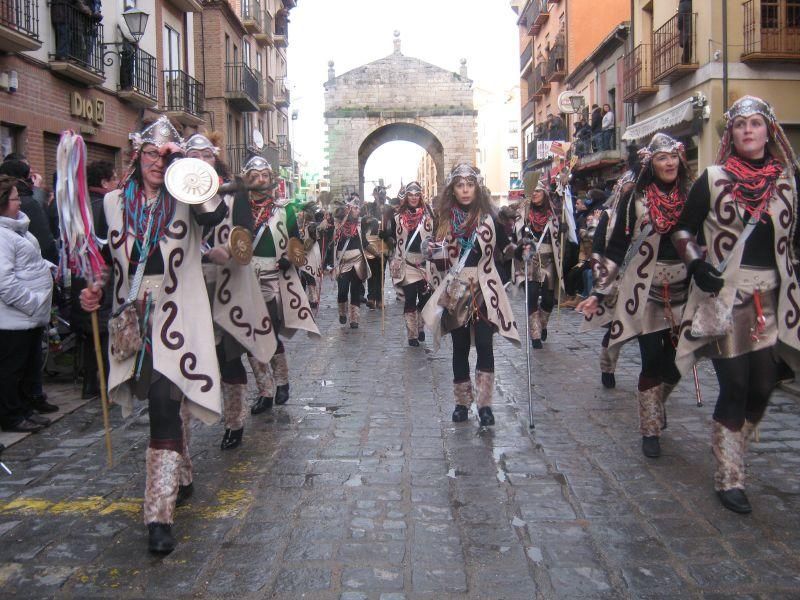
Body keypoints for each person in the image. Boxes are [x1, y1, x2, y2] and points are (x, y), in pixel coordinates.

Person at [79, 117, 228, 554]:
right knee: (158, 402)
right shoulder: (112, 204)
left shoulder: (189, 200)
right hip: (134, 316)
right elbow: (107, 262)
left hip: (177, 313)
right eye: (150, 154)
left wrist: (187, 169)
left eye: (167, 157)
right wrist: (94, 289)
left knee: (164, 406)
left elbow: (215, 212)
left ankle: (158, 517)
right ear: (136, 157)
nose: (156, 163)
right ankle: (180, 473)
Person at [671, 96, 800, 514]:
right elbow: (683, 231)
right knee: (736, 384)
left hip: (774, 298)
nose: (748, 130)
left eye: (756, 124)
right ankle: (730, 476)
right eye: (740, 124)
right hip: (726, 297)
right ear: (731, 133)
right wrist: (695, 264)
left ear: (769, 131)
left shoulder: (788, 181)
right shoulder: (711, 179)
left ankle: (733, 449)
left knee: (763, 386)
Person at [577, 133, 693, 459]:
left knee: (678, 362)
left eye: (673, 157)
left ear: (680, 160)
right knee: (652, 360)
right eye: (661, 158)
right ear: (650, 163)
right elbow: (615, 246)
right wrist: (599, 292)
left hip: (684, 291)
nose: (669, 162)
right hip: (644, 291)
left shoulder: (692, 196)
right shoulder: (634, 199)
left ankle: (655, 403)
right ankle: (650, 427)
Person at [184, 134, 276, 450]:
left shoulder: (234, 194)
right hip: (188, 286)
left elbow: (245, 233)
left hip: (228, 283)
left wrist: (227, 249)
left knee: (230, 354)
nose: (200, 162)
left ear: (215, 160)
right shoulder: (177, 196)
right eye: (193, 156)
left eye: (206, 156)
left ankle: (234, 421)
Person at [422, 164, 520, 426]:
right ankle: (462, 402)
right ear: (452, 190)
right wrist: (431, 252)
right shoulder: (444, 221)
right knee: (460, 347)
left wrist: (522, 249)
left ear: (477, 188)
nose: (465, 190)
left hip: (485, 289)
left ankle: (485, 405)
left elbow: (505, 250)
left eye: (469, 185)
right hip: (456, 289)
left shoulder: (492, 217)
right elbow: (436, 257)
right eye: (459, 185)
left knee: (486, 345)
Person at [244, 156, 320, 413]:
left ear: (271, 179)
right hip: (245, 279)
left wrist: (289, 260)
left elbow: (296, 243)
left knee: (267, 332)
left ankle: (282, 380)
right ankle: (264, 390)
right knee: (250, 338)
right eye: (255, 175)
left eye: (265, 175)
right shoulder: (239, 208)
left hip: (272, 279)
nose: (260, 180)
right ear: (247, 179)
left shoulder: (284, 209)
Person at [0, 176, 55, 433]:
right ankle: (11, 415)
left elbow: (31, 263)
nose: (19, 202)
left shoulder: (17, 229)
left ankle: (25, 409)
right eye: (14, 198)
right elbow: (5, 282)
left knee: (27, 366)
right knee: (12, 369)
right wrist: (32, 303)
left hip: (30, 317)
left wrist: (49, 269)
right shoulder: (3, 236)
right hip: (15, 317)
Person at [70, 160, 117, 399]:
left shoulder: (80, 205)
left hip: (82, 276)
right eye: (113, 178)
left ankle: (90, 383)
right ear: (104, 182)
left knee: (91, 333)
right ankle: (107, 382)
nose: (117, 182)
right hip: (99, 277)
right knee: (103, 330)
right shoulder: (105, 207)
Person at [512, 182, 562, 348]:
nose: (534, 194)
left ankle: (542, 324)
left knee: (548, 299)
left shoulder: (554, 212)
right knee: (532, 294)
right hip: (530, 258)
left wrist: (563, 228)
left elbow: (560, 236)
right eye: (532, 191)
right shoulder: (525, 211)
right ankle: (535, 334)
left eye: (538, 191)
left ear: (544, 193)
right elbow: (516, 231)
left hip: (548, 259)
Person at [389, 181, 433, 347]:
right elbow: (391, 236)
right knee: (410, 299)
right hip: (407, 263)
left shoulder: (429, 216)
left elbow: (435, 236)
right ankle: (412, 335)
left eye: (416, 195)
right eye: (410, 195)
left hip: (424, 264)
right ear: (406, 197)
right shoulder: (398, 218)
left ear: (420, 196)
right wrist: (385, 237)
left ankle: (420, 327)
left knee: (424, 299)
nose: (414, 198)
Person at [333, 196, 371, 328]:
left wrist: (377, 252)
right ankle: (342, 312)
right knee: (342, 290)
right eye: (355, 208)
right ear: (348, 209)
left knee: (355, 290)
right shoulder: (338, 224)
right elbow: (331, 242)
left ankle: (354, 319)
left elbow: (365, 242)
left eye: (358, 208)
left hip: (357, 261)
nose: (358, 210)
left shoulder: (360, 225)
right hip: (343, 261)